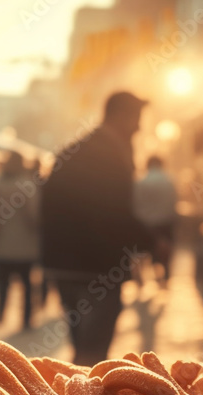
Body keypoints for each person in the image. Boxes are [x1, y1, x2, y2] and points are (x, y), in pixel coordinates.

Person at [40, 92, 152, 366]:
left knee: (82, 347)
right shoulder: (110, 156)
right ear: (121, 116)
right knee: (93, 355)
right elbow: (113, 213)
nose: (139, 127)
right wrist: (150, 241)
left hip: (64, 265)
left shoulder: (73, 150)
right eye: (136, 118)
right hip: (97, 267)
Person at [0, 152, 39, 329]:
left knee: (2, 284)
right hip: (25, 246)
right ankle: (26, 319)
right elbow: (34, 216)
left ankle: (0, 315)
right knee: (27, 285)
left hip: (1, 244)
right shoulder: (27, 184)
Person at [133, 156, 179, 284]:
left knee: (141, 252)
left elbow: (136, 204)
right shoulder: (169, 182)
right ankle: (165, 273)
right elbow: (174, 202)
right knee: (165, 250)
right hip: (165, 222)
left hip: (145, 223)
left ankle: (139, 278)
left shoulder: (141, 182)